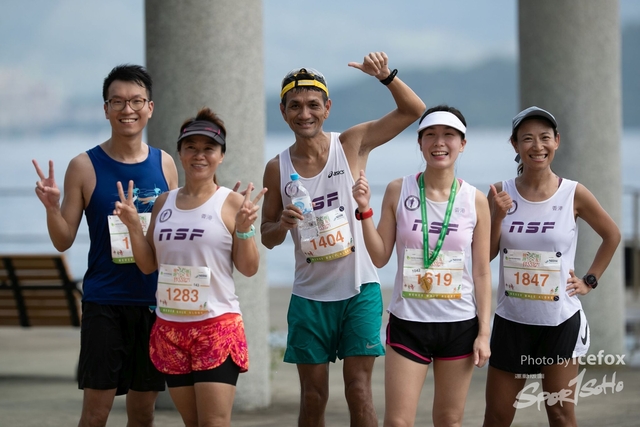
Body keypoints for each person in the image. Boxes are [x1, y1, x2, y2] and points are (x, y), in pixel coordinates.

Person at [261, 51, 425, 427]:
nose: (305, 113)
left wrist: (385, 77)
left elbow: (413, 110)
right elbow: (267, 237)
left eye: (313, 105)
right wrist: (282, 224)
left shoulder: (351, 144)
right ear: (283, 112)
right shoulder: (276, 168)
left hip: (359, 290)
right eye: (295, 106)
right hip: (309, 297)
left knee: (359, 389)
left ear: (327, 108)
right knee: (313, 396)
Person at [32, 64, 179, 427]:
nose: (127, 109)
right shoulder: (83, 165)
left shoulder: (165, 164)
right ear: (106, 109)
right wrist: (51, 207)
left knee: (143, 414)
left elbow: (172, 234)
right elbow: (63, 239)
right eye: (118, 101)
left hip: (153, 303)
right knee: (95, 414)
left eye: (136, 101)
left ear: (150, 107)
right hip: (104, 302)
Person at [113, 107, 266, 427]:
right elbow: (148, 265)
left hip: (216, 326)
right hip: (170, 328)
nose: (199, 155)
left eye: (209, 148)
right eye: (191, 147)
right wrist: (133, 227)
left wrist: (244, 230)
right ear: (180, 153)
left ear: (221, 156)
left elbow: (249, 268)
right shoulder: (163, 202)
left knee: (214, 422)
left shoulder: (231, 202)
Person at [352, 105, 492, 427]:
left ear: (462, 143)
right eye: (430, 134)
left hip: (459, 323)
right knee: (397, 422)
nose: (439, 142)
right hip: (409, 322)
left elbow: (482, 272)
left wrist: (484, 332)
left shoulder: (475, 200)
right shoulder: (398, 190)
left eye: (449, 135)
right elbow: (379, 256)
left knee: (449, 421)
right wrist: (364, 211)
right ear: (419, 142)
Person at [482, 106, 621, 427]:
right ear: (515, 144)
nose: (537, 146)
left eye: (545, 137)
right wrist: (498, 217)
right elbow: (486, 256)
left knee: (560, 414)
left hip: (559, 321)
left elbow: (612, 235)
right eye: (527, 138)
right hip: (512, 320)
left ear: (557, 141)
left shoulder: (574, 193)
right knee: (497, 417)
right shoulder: (500, 192)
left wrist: (590, 280)